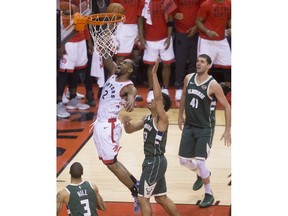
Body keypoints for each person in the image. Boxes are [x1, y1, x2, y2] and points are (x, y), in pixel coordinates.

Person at [122, 59, 179, 216]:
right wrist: (126, 123)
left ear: (160, 106)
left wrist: (154, 74)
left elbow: (159, 97)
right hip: (152, 161)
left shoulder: (162, 120)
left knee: (142, 199)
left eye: (153, 100)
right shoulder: (148, 118)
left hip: (155, 161)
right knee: (160, 197)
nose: (151, 100)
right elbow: (130, 130)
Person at [177, 54, 231, 208]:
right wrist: (180, 116)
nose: (198, 64)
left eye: (202, 62)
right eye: (197, 61)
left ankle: (209, 194)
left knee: (201, 161)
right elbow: (184, 97)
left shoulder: (213, 85)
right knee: (183, 161)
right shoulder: (188, 78)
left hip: (205, 128)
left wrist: (227, 130)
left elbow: (227, 106)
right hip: (189, 125)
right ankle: (202, 175)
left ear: (209, 66)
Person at [91, 56, 140, 213]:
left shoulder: (128, 86)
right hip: (100, 124)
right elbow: (106, 59)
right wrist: (101, 35)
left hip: (109, 126)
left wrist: (130, 103)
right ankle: (136, 184)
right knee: (111, 162)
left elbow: (132, 96)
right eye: (121, 62)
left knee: (111, 163)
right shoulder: (113, 73)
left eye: (125, 63)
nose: (120, 64)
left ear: (130, 70)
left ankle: (136, 192)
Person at [57, 2, 93, 118]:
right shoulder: (62, 4)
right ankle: (58, 104)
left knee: (76, 71)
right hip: (68, 41)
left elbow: (84, 24)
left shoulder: (83, 3)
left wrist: (89, 42)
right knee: (64, 73)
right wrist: (60, 44)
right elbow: (58, 24)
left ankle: (72, 99)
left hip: (80, 41)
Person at [137, 0, 175, 103]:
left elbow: (170, 19)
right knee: (151, 66)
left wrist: (169, 36)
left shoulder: (167, 1)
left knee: (167, 64)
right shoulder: (144, 1)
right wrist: (141, 37)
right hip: (149, 38)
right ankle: (151, 90)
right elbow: (140, 18)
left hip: (164, 37)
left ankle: (165, 89)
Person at [195, 0, 231, 95]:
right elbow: (198, 21)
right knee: (203, 66)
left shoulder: (228, 3)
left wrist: (231, 28)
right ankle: (200, 89)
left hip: (222, 39)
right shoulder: (206, 4)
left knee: (228, 65)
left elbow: (229, 18)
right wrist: (207, 31)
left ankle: (228, 91)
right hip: (206, 40)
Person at [172, 0, 205, 101]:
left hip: (196, 31)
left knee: (194, 60)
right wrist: (174, 14)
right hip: (181, 31)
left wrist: (196, 27)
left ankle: (191, 86)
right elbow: (171, 9)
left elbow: (204, 12)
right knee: (180, 61)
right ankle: (178, 87)